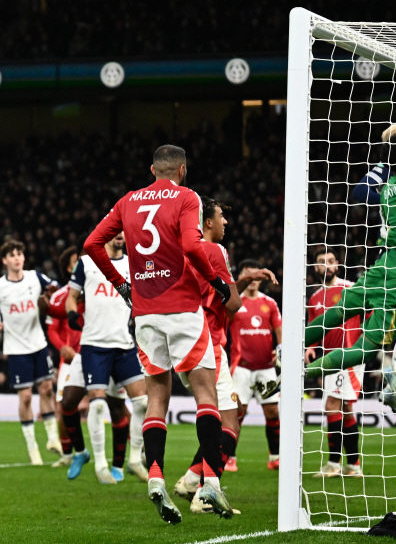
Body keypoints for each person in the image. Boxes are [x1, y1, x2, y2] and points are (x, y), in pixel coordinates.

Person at [83, 145, 234, 523]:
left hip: (145, 313)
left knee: (156, 397)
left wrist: (121, 285)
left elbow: (91, 244)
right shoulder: (187, 197)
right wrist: (215, 280)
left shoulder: (128, 201)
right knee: (205, 392)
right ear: (182, 170)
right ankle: (211, 481)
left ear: (153, 169)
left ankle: (155, 477)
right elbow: (189, 244)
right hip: (183, 308)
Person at [299, 78, 396, 416]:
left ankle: (393, 369)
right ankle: (395, 370)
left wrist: (391, 184)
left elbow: (362, 194)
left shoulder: (387, 184)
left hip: (388, 259)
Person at [174, 198, 278, 514]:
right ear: (207, 222)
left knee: (216, 418)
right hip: (210, 343)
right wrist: (236, 290)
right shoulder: (216, 250)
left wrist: (245, 279)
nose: (225, 223)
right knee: (230, 424)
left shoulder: (183, 252)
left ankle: (191, 480)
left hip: (184, 341)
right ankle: (205, 495)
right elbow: (232, 304)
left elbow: (212, 291)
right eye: (221, 217)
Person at [47, 246, 141, 482]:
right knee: (68, 404)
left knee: (119, 406)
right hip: (85, 351)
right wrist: (48, 308)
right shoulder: (82, 272)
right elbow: (58, 309)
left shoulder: (128, 266)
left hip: (116, 345)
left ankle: (120, 465)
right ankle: (82, 453)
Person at [0, 239, 62, 465]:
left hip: (38, 344)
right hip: (15, 348)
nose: (17, 258)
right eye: (12, 255)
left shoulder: (35, 277)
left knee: (46, 389)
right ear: (4, 261)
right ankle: (33, 450)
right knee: (24, 397)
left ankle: (53, 439)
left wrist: (51, 294)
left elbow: (56, 287)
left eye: (19, 253)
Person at [305, 247, 363, 478]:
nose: (327, 265)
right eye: (322, 261)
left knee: (331, 404)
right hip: (329, 359)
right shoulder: (314, 298)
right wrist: (310, 347)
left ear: (337, 265)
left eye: (330, 261)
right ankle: (353, 465)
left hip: (348, 355)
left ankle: (333, 464)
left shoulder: (350, 289)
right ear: (316, 267)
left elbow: (370, 315)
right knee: (345, 409)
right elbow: (314, 329)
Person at [229, 258, 283, 470]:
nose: (252, 279)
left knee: (272, 412)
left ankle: (275, 457)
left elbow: (279, 331)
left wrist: (280, 349)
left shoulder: (269, 303)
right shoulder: (235, 302)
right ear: (241, 277)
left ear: (260, 279)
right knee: (237, 412)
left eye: (255, 274)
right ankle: (230, 457)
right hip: (241, 367)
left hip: (266, 369)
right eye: (247, 274)